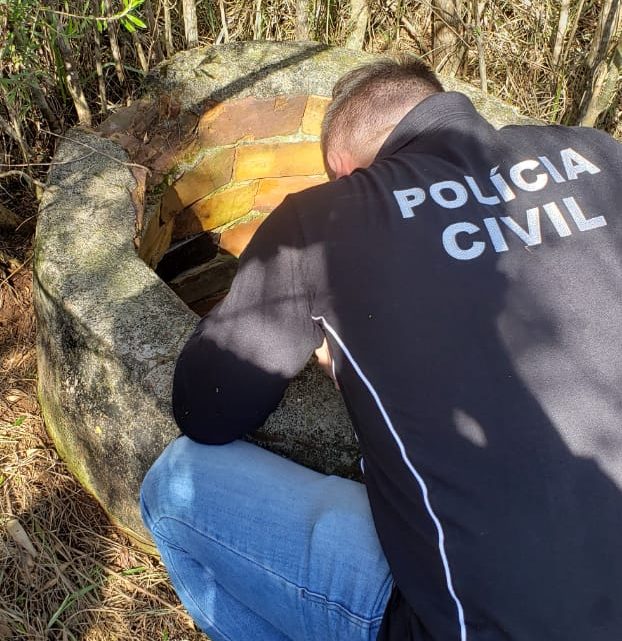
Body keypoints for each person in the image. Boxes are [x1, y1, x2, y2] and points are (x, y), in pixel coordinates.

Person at [140, 56, 622, 641]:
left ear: (342, 170)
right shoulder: (599, 155)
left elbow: (206, 408)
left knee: (175, 482)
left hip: (475, 626)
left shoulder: (325, 219)